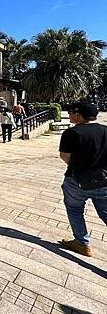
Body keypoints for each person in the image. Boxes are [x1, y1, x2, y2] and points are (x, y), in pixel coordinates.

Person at [58, 101, 107, 257]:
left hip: (77, 180)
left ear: (78, 115)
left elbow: (65, 156)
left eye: (71, 112)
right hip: (103, 179)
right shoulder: (106, 130)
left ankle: (82, 243)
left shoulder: (72, 133)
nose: (69, 115)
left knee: (74, 209)